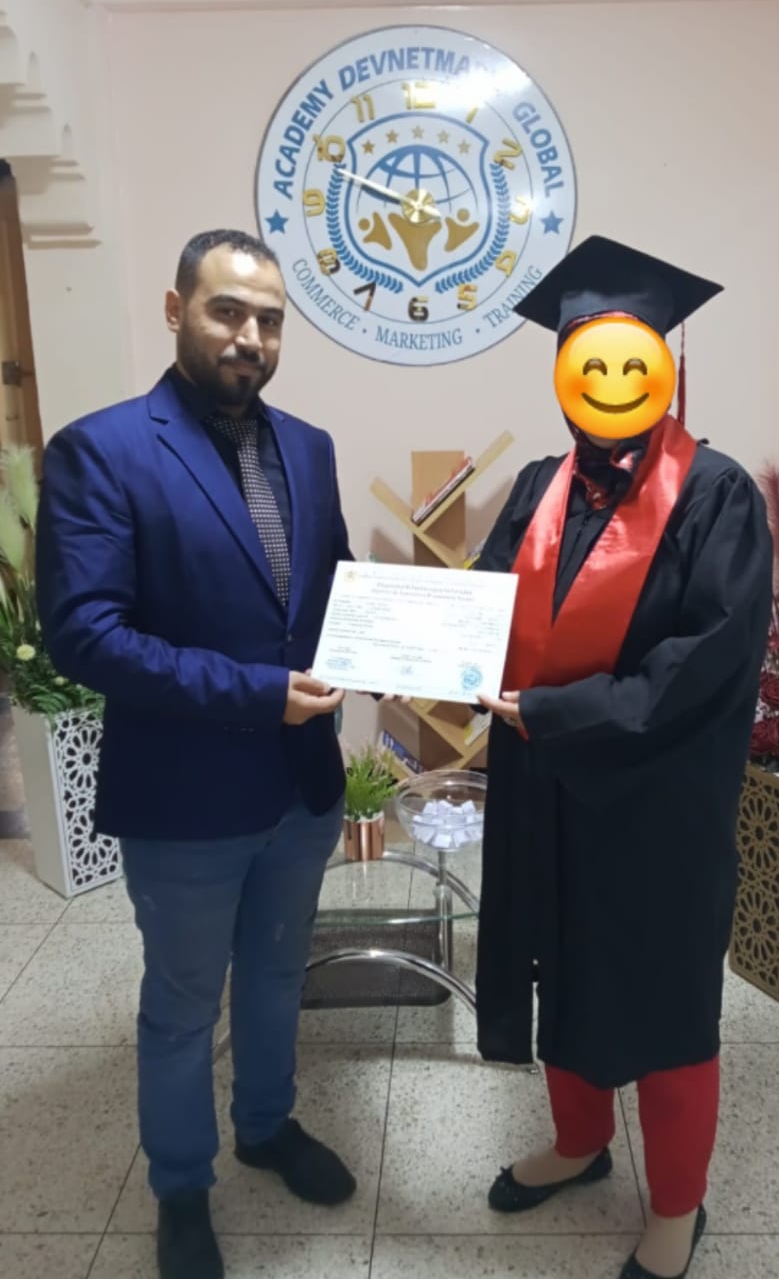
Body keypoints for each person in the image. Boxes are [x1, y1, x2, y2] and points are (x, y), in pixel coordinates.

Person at [36, 229, 358, 1279]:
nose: (249, 336)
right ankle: (182, 1185)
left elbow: (333, 587)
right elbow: (86, 634)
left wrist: (389, 646)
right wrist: (260, 693)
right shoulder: (102, 450)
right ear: (176, 310)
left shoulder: (308, 446)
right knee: (181, 1003)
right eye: (227, 310)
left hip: (301, 788)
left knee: (275, 972)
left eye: (269, 319)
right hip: (184, 798)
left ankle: (265, 1124)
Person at [475, 236, 773, 1279]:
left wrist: (554, 712)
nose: (608, 381)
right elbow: (480, 605)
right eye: (587, 361)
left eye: (628, 358)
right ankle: (579, 1142)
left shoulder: (717, 496)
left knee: (661, 993)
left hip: (655, 801)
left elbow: (703, 665)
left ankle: (677, 1204)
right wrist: (411, 645)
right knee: (558, 963)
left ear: (663, 368)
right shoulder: (535, 485)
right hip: (544, 788)